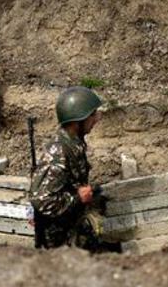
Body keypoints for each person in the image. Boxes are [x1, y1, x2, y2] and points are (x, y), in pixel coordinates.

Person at [29, 86, 112, 251]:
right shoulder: (59, 151)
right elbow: (42, 200)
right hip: (57, 241)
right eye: (91, 116)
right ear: (76, 122)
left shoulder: (74, 142)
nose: (96, 120)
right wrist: (77, 197)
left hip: (71, 229)